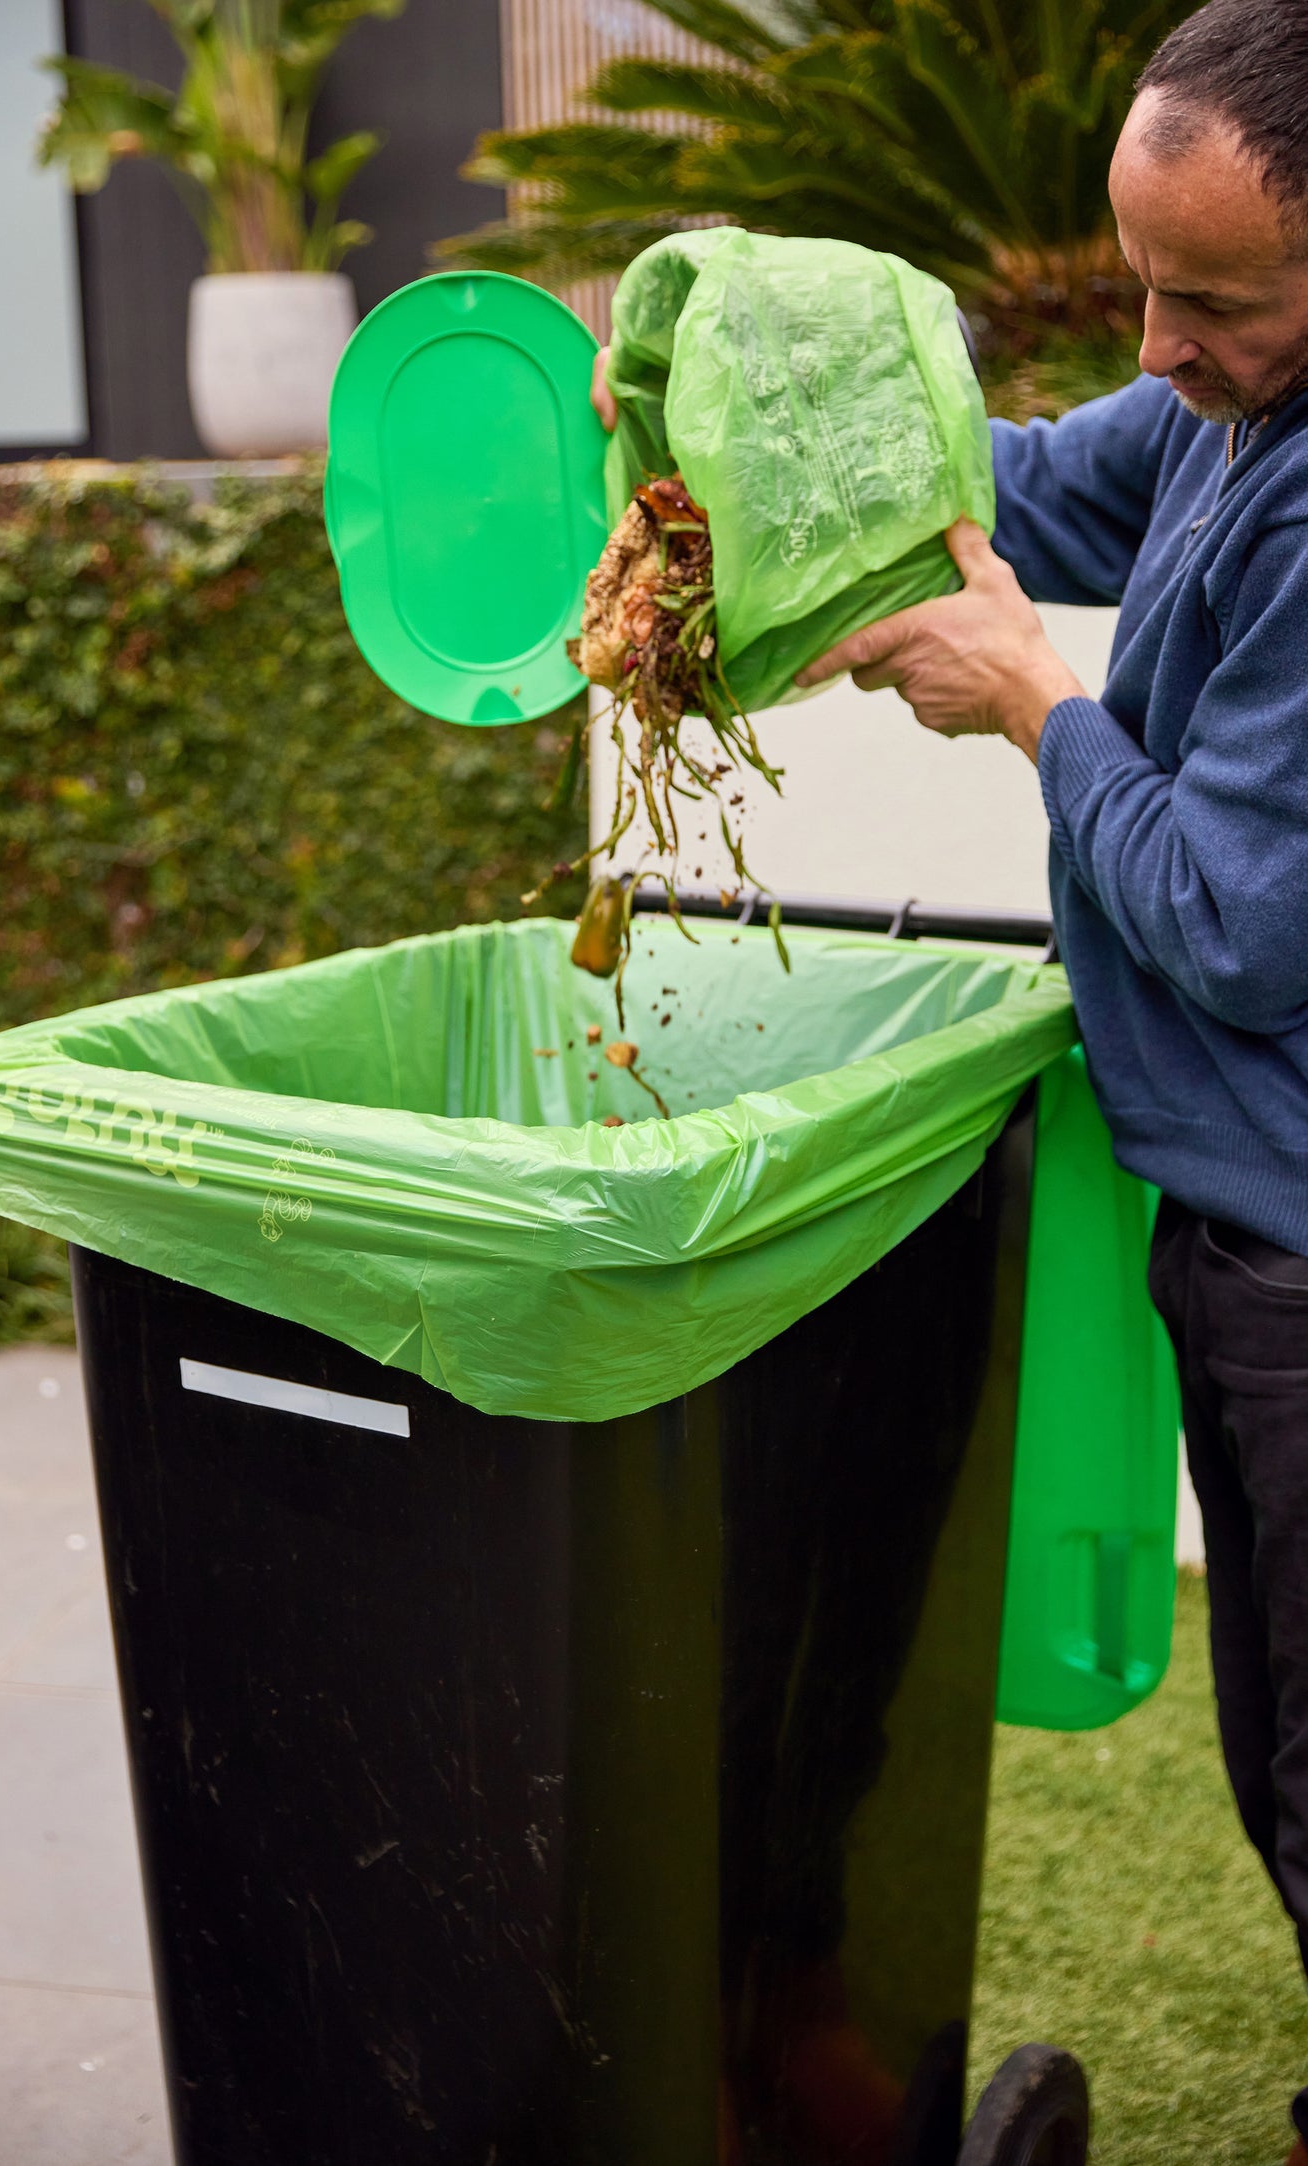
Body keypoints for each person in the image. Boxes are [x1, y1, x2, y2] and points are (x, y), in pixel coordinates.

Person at [588, 0, 1308, 2151]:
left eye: (1216, 301)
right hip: (1243, 1223)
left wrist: (1032, 703)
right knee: (1278, 1751)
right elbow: (992, 474)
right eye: (1149, 285)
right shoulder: (1216, 419)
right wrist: (721, 474)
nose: (1157, 341)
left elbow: (1241, 925)